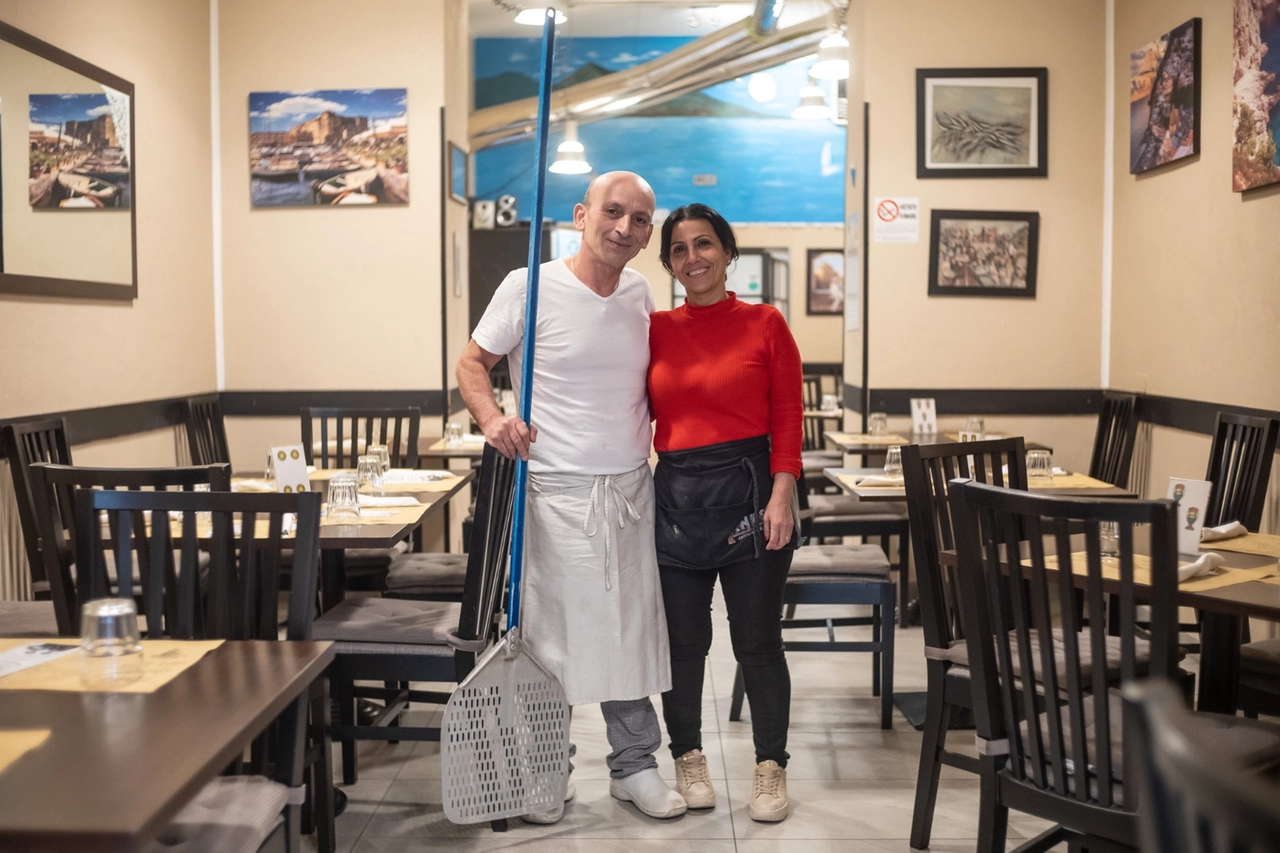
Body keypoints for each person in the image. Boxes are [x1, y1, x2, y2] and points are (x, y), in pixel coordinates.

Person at [456, 171, 686, 824]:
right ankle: (544, 768)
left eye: (640, 219)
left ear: (647, 236)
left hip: (628, 490)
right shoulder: (529, 284)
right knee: (549, 640)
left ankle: (634, 765)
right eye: (613, 212)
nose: (624, 227)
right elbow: (472, 363)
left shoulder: (642, 293)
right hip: (551, 492)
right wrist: (494, 420)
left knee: (628, 635)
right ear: (582, 214)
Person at [647, 203, 802, 823]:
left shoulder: (766, 323)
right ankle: (688, 759)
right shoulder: (654, 328)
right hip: (678, 496)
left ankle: (770, 769)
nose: (694, 259)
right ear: (668, 264)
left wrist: (783, 493)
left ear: (728, 251)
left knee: (758, 643)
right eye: (679, 250)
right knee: (682, 647)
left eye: (704, 244)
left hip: (755, 494)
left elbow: (789, 414)